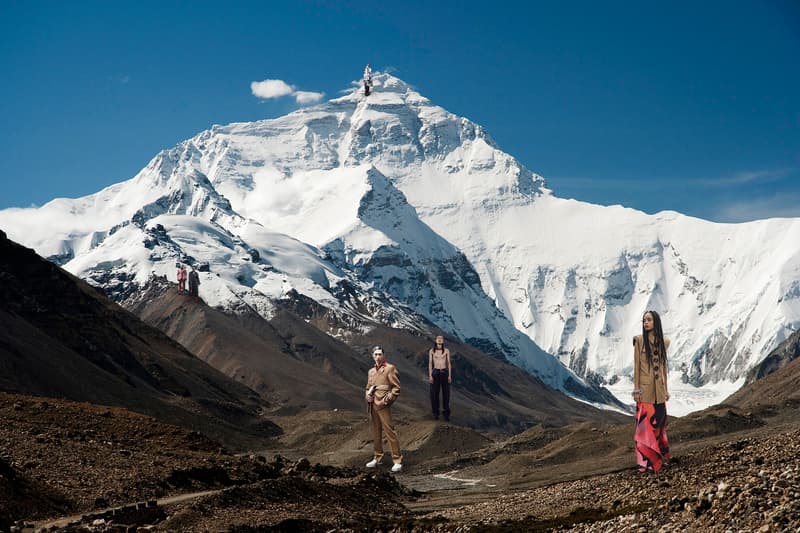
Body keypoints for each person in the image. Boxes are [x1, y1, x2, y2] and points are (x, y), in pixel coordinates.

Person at [632, 310, 671, 472]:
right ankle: (646, 462)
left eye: (648, 320)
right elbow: (636, 367)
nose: (645, 323)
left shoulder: (664, 342)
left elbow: (663, 369)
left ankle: (660, 459)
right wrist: (636, 389)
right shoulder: (639, 341)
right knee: (645, 427)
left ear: (656, 322)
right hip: (645, 391)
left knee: (659, 425)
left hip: (659, 391)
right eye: (643, 320)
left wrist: (666, 389)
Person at [365, 346, 402, 472]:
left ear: (383, 355)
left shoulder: (389, 368)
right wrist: (367, 396)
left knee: (390, 431)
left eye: (380, 354)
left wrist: (387, 400)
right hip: (372, 403)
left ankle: (397, 460)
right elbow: (368, 387)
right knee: (376, 432)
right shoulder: (370, 371)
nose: (378, 356)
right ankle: (377, 457)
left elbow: (396, 387)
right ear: (372, 355)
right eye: (375, 354)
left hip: (383, 402)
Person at [428, 335, 452, 421]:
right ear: (435, 340)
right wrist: (430, 375)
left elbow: (449, 363)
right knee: (434, 394)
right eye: (438, 338)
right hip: (435, 372)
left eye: (441, 339)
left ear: (443, 341)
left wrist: (449, 375)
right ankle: (435, 413)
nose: (439, 340)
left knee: (446, 394)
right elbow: (430, 363)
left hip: (444, 372)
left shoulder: (446, 351)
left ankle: (446, 414)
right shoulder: (431, 351)